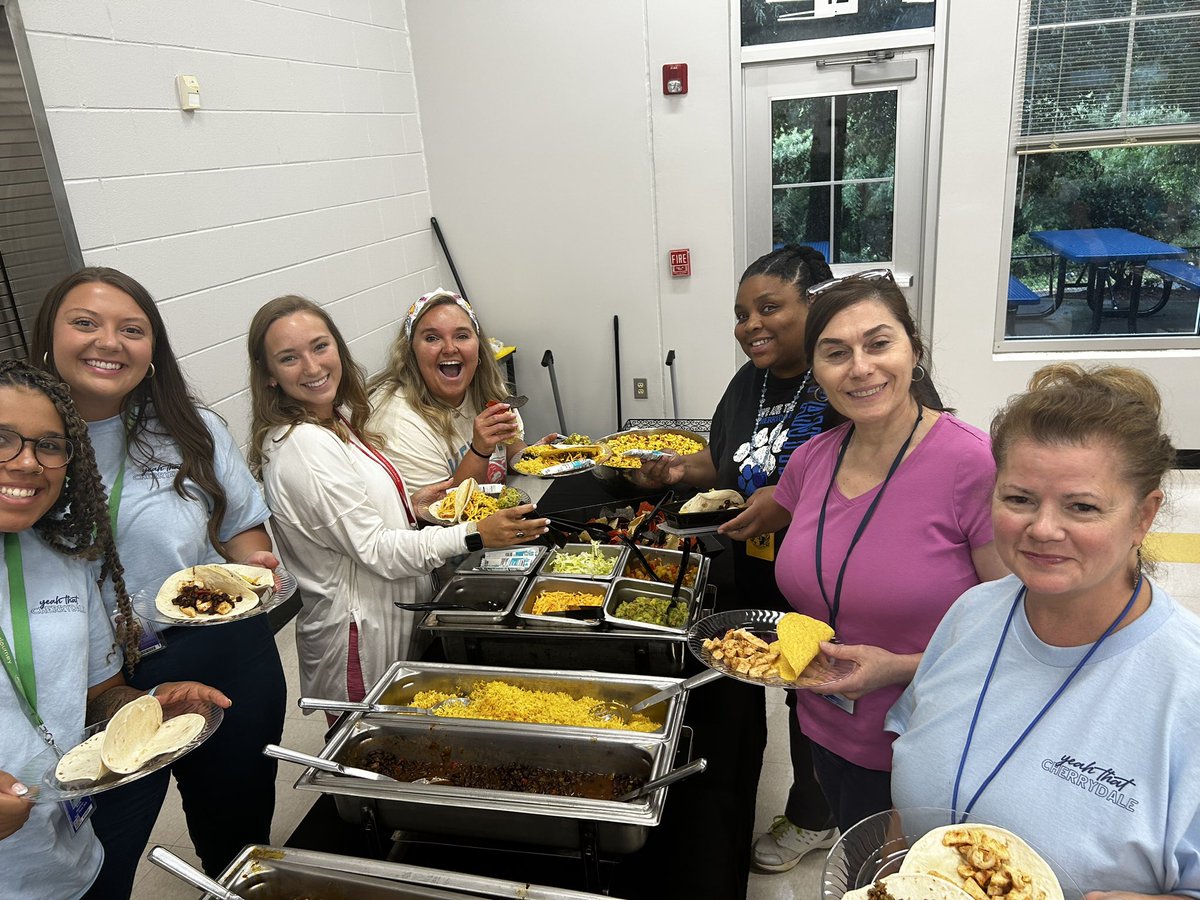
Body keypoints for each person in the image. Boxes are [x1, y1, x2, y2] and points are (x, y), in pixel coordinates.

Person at [888, 364, 1200, 896]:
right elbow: (910, 777)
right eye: (1019, 499)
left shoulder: (1186, 689)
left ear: (1144, 516)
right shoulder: (972, 614)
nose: (1043, 529)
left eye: (1082, 506)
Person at [31, 267, 287, 893]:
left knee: (238, 830)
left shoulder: (188, 426)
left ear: (152, 351)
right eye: (85, 323)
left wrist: (249, 573)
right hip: (92, 678)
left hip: (219, 655)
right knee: (101, 852)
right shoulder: (26, 442)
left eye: (132, 329)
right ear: (48, 338)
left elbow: (243, 530)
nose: (108, 342)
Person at [737, 270, 1007, 834]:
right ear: (815, 371)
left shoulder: (973, 466)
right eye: (836, 353)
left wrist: (897, 668)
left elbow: (1014, 634)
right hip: (822, 724)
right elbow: (779, 515)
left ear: (913, 349)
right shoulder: (813, 459)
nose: (860, 367)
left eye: (879, 343)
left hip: (925, 742)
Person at [636, 245, 842, 875]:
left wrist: (793, 499)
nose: (751, 324)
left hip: (826, 573)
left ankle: (816, 813)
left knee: (818, 694)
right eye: (741, 313)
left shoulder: (845, 378)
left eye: (770, 307)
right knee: (759, 677)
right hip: (752, 568)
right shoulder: (748, 382)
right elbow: (725, 460)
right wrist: (675, 469)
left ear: (816, 304)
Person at [0, 360, 230, 900]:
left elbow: (96, 694)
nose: (28, 462)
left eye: (49, 445)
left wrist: (147, 707)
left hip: (68, 863)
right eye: (3, 439)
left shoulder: (60, 557)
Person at [248, 295, 549, 706]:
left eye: (320, 346)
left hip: (391, 619)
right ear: (268, 374)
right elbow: (376, 549)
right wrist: (475, 533)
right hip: (359, 641)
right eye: (289, 358)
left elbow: (358, 516)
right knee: (360, 759)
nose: (313, 367)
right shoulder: (304, 447)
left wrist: (414, 501)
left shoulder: (331, 420)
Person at [367, 288, 555, 488]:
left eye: (462, 336)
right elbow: (445, 511)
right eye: (432, 338)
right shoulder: (399, 424)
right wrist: (479, 450)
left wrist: (532, 459)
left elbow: (509, 445)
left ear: (478, 346)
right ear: (411, 352)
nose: (449, 348)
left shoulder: (487, 387)